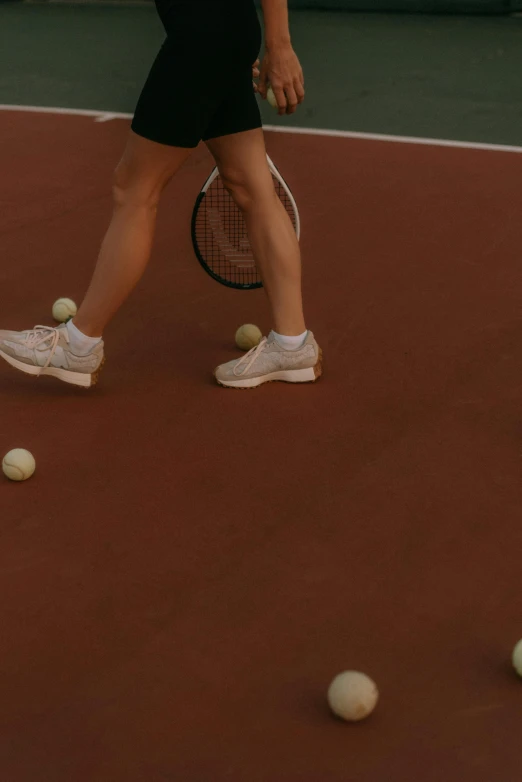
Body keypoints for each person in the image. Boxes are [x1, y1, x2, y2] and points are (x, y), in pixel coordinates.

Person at [0, 0, 322, 390]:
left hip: (202, 37)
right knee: (249, 184)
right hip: (222, 32)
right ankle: (292, 343)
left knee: (134, 187)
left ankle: (79, 344)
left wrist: (280, 44)